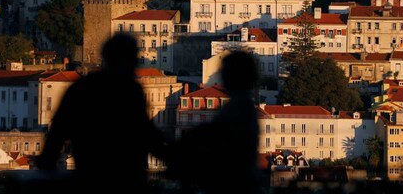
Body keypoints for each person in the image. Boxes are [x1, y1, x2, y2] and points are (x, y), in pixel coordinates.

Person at [36, 33, 169, 192]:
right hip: (128, 180)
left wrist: (47, 167)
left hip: (90, 178)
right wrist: (174, 157)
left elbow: (57, 134)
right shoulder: (131, 91)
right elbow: (147, 135)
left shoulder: (81, 88)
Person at [166, 50, 261, 194]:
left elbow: (212, 133)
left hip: (233, 183)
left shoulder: (239, 106)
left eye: (225, 72)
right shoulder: (243, 104)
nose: (222, 75)